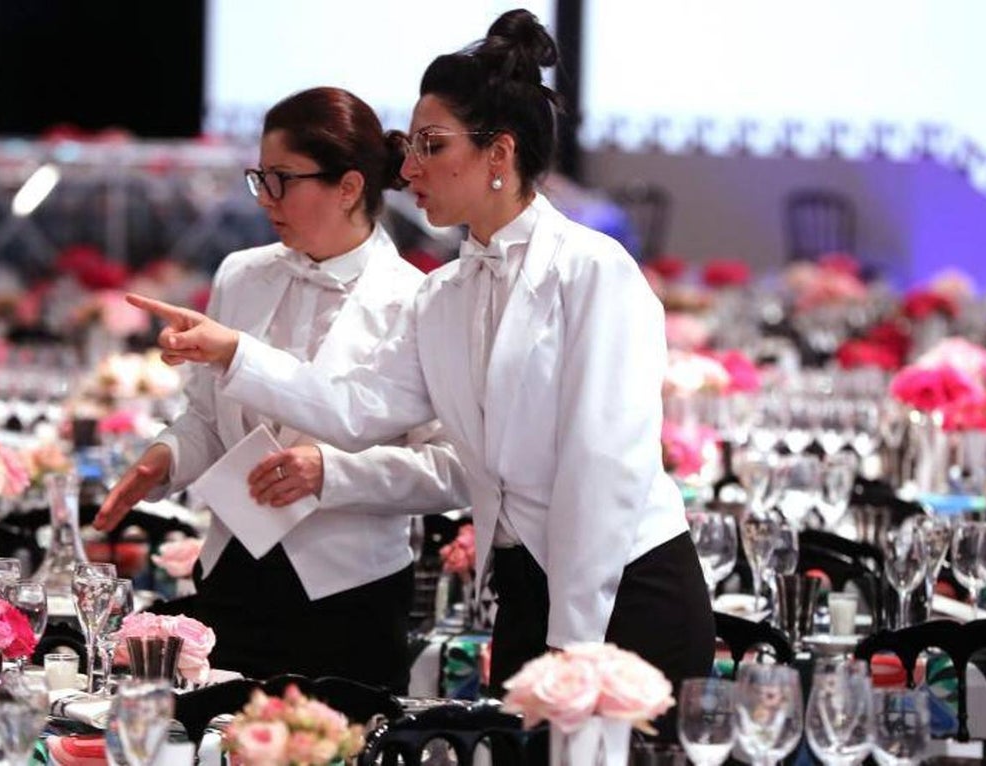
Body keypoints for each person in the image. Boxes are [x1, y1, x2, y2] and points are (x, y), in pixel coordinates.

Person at [126, 9, 714, 702]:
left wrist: (574, 643)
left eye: (430, 146)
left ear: (500, 153)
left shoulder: (591, 270)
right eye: (410, 146)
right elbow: (352, 407)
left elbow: (602, 467)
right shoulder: (444, 295)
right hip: (528, 594)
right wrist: (234, 353)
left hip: (627, 590)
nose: (406, 169)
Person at [93, 86, 468, 691]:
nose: (267, 198)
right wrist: (163, 459)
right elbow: (209, 419)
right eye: (259, 178)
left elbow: (451, 468)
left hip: (349, 594)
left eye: (283, 179)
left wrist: (332, 474)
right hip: (232, 571)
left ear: (348, 187)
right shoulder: (241, 274)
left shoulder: (419, 299)